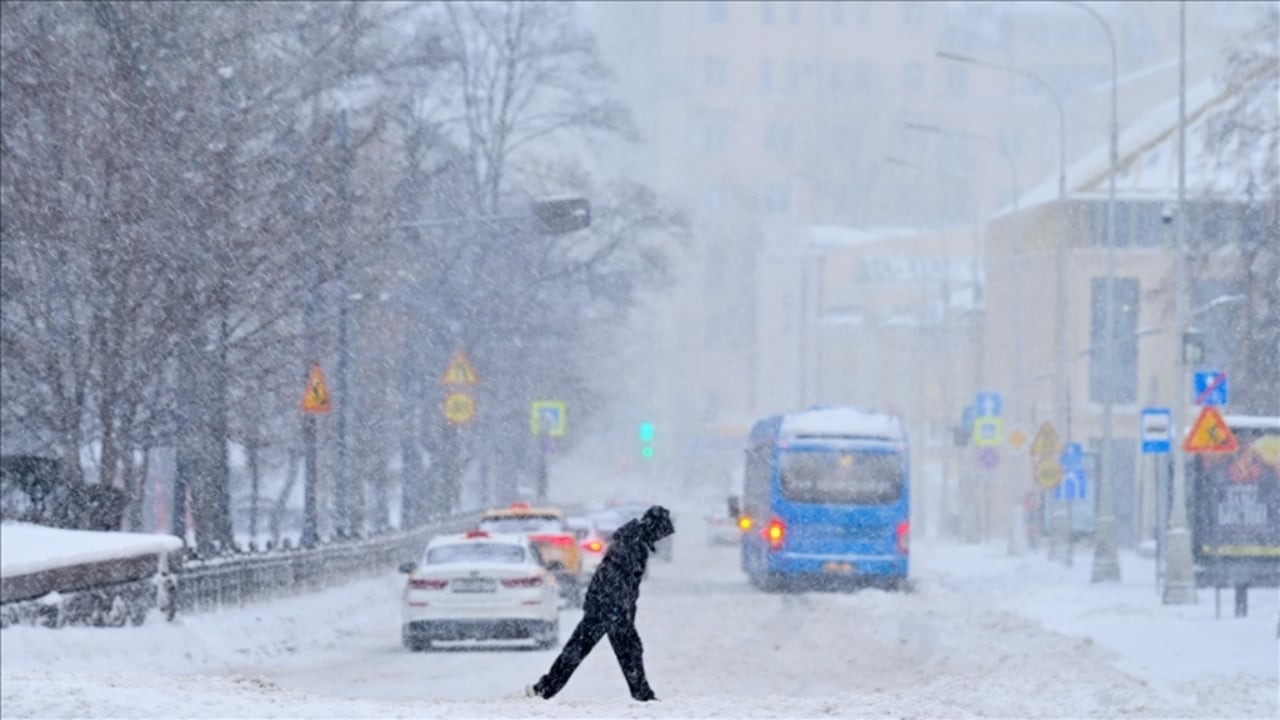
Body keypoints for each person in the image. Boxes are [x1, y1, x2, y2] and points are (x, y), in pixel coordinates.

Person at [527, 505, 675, 702]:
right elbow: (615, 578)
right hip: (608, 606)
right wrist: (618, 609)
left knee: (592, 649)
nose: (661, 538)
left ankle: (545, 688)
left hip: (609, 606)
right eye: (661, 532)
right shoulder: (632, 544)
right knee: (610, 650)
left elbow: (624, 583)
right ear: (654, 527)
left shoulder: (633, 540)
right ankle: (545, 688)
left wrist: (623, 609)